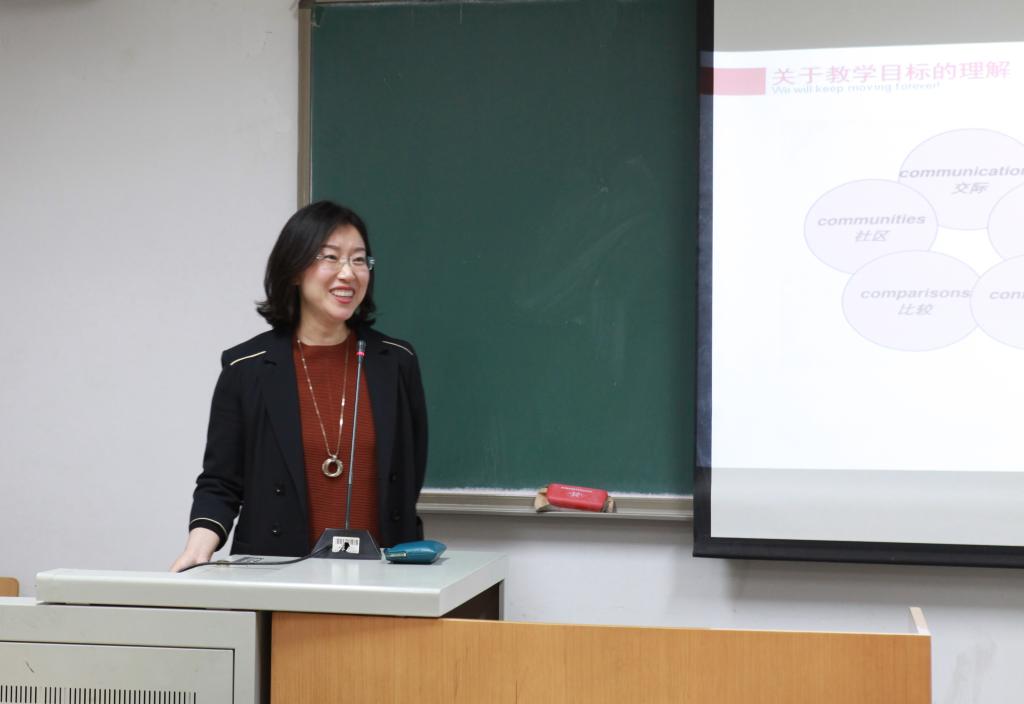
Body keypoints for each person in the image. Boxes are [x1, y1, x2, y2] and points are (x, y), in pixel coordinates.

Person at [171, 201, 427, 571]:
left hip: (383, 577)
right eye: (331, 257)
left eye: (359, 260)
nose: (348, 273)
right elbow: (220, 481)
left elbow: (408, 476)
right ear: (294, 269)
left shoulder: (396, 362)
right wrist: (198, 549)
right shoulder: (247, 367)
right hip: (279, 575)